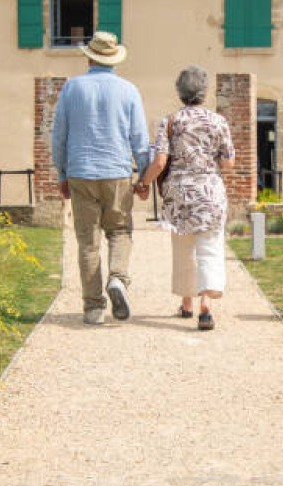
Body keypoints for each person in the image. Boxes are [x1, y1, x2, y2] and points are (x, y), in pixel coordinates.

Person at [51, 31, 151, 326]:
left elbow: (59, 137)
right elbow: (139, 138)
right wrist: (143, 177)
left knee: (88, 242)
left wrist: (62, 173)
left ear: (89, 56)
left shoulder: (71, 89)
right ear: (114, 59)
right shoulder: (129, 90)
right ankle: (118, 279)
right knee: (120, 232)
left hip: (81, 172)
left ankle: (93, 307)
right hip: (117, 172)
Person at [136, 66, 233, 331]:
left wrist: (142, 184)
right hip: (209, 192)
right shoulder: (218, 122)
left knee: (183, 249)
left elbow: (159, 162)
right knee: (209, 247)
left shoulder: (170, 121)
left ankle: (187, 304)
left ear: (180, 92)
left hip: (178, 193)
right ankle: (206, 306)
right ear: (205, 92)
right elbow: (228, 163)